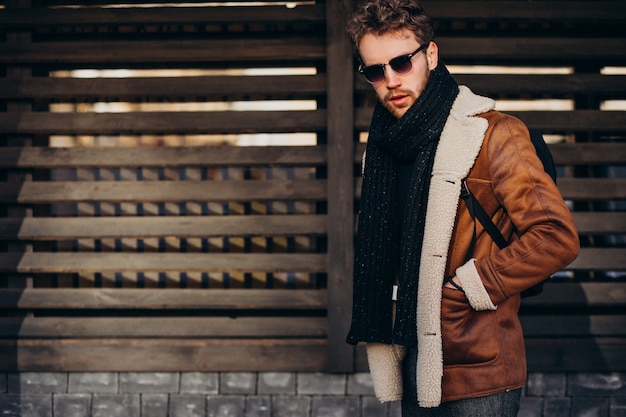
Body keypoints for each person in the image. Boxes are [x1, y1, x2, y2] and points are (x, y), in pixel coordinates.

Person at [344, 1, 580, 416]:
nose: (391, 80)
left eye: (401, 63)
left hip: (480, 364)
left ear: (430, 55)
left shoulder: (493, 134)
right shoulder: (387, 147)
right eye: (375, 71)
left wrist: (466, 289)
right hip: (417, 356)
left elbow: (555, 237)